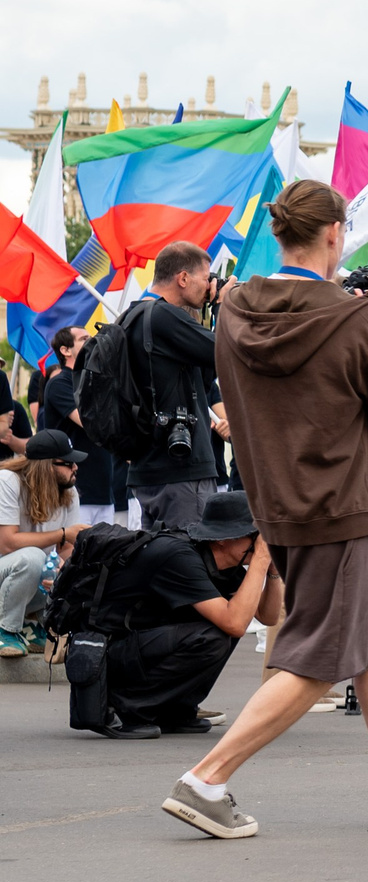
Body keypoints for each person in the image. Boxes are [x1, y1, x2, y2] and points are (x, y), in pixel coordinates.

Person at [171, 178, 368, 838]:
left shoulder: (235, 310)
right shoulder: (354, 319)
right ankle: (206, 779)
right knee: (321, 658)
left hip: (278, 501)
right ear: (335, 234)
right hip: (341, 502)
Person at [96, 491, 279, 737]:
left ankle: (175, 709)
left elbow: (268, 617)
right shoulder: (180, 556)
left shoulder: (225, 563)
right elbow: (236, 623)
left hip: (138, 649)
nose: (258, 543)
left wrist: (272, 570)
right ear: (223, 539)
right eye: (253, 535)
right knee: (215, 636)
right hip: (109, 652)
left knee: (225, 624)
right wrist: (260, 559)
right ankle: (128, 708)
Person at [131, 242, 226, 532]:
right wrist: (223, 307)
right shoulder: (163, 316)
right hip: (182, 471)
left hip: (149, 468)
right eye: (206, 278)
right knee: (192, 554)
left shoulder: (135, 315)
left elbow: (205, 376)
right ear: (183, 278)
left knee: (160, 557)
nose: (209, 285)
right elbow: (225, 351)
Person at [0, 431, 88, 657]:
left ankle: (30, 625)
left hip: (25, 579)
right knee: (34, 557)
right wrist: (62, 534)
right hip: (6, 571)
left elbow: (66, 548)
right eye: (68, 463)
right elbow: (7, 543)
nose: (75, 467)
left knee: (72, 570)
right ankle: (5, 629)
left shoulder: (68, 491)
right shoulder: (8, 481)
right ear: (48, 466)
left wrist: (64, 569)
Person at [39, 328, 122, 527]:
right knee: (74, 546)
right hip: (75, 489)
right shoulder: (60, 384)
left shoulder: (94, 380)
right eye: (84, 339)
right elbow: (91, 422)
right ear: (65, 350)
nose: (92, 342)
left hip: (103, 490)